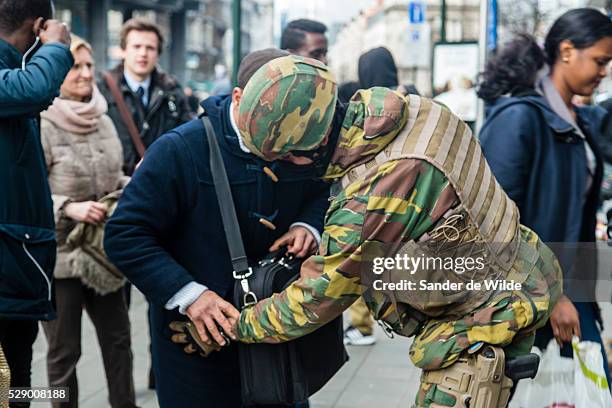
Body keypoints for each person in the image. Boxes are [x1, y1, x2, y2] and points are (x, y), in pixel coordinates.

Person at [233, 83, 563, 407]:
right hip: (522, 272)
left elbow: (315, 299)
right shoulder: (421, 110)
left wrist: (237, 325)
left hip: (481, 325)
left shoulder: (370, 199)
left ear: (309, 150)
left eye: (285, 158)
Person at [104, 50, 337, 407]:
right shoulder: (179, 149)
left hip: (277, 342)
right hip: (196, 346)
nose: (283, 153)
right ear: (240, 98)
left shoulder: (299, 127)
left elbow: (327, 188)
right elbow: (125, 234)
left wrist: (309, 224)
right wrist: (190, 296)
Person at [478, 8, 612, 385]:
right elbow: (494, 224)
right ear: (567, 51)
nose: (604, 71)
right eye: (600, 61)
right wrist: (551, 296)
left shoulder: (579, 121)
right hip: (527, 298)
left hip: (572, 291)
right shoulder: (520, 117)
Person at [38, 35, 135, 408]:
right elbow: (27, 196)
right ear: (57, 73)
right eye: (75, 66)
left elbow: (114, 177)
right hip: (60, 257)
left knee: (119, 342)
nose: (85, 74)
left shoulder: (104, 118)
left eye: (89, 66)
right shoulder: (40, 123)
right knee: (64, 353)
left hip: (103, 254)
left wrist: (133, 186)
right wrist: (67, 207)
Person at [0, 1, 73, 406]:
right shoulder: (22, 80)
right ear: (39, 26)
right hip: (11, 264)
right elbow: (37, 88)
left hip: (19, 267)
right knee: (10, 387)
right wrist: (57, 46)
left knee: (20, 382)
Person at [98, 18, 193, 176]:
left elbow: (188, 135)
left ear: (158, 54)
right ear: (123, 50)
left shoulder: (172, 90)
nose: (143, 53)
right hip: (116, 183)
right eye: (136, 46)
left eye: (150, 48)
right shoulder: (102, 88)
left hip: (160, 180)